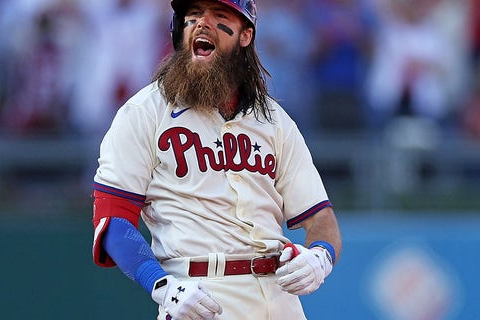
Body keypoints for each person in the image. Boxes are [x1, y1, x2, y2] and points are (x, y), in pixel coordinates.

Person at [90, 0, 342, 319]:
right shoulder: (143, 113)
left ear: (245, 35)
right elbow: (113, 220)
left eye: (219, 15)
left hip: (280, 299)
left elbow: (320, 217)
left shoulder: (274, 121)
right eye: (193, 15)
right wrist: (162, 286)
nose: (202, 23)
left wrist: (321, 256)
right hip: (200, 296)